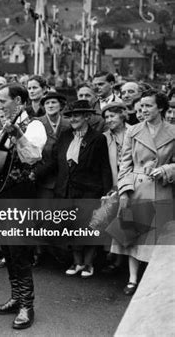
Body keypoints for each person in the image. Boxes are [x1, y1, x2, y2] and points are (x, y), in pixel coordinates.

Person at [0, 83, 47, 330]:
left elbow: (33, 155)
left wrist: (18, 135)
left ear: (18, 100)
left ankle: (27, 305)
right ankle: (16, 298)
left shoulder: (34, 126)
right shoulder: (4, 128)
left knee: (20, 250)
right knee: (7, 248)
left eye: (2, 101)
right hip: (2, 194)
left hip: (21, 196)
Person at [117, 90, 174, 295]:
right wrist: (124, 190)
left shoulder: (173, 131)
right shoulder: (133, 131)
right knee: (135, 236)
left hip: (163, 189)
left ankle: (155, 283)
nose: (143, 110)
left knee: (159, 238)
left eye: (148, 106)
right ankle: (132, 279)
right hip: (137, 189)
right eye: (141, 106)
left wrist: (167, 170)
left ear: (160, 107)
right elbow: (124, 164)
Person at [47, 100, 112, 278]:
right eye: (70, 116)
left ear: (87, 117)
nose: (73, 119)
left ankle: (89, 264)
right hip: (66, 190)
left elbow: (104, 167)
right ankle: (77, 262)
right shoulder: (65, 136)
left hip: (89, 190)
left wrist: (106, 194)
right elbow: (54, 162)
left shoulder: (98, 139)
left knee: (88, 228)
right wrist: (34, 173)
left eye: (77, 115)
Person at [99, 102, 130, 274]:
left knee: (127, 220)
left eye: (112, 116)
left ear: (122, 115)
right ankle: (115, 258)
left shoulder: (134, 131)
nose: (108, 120)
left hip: (131, 182)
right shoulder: (105, 137)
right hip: (113, 182)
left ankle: (123, 260)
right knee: (112, 220)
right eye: (106, 117)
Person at [35, 92, 70, 198]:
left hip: (65, 177)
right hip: (44, 178)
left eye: (54, 102)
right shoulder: (37, 123)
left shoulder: (68, 124)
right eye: (47, 103)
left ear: (61, 106)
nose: (50, 105)